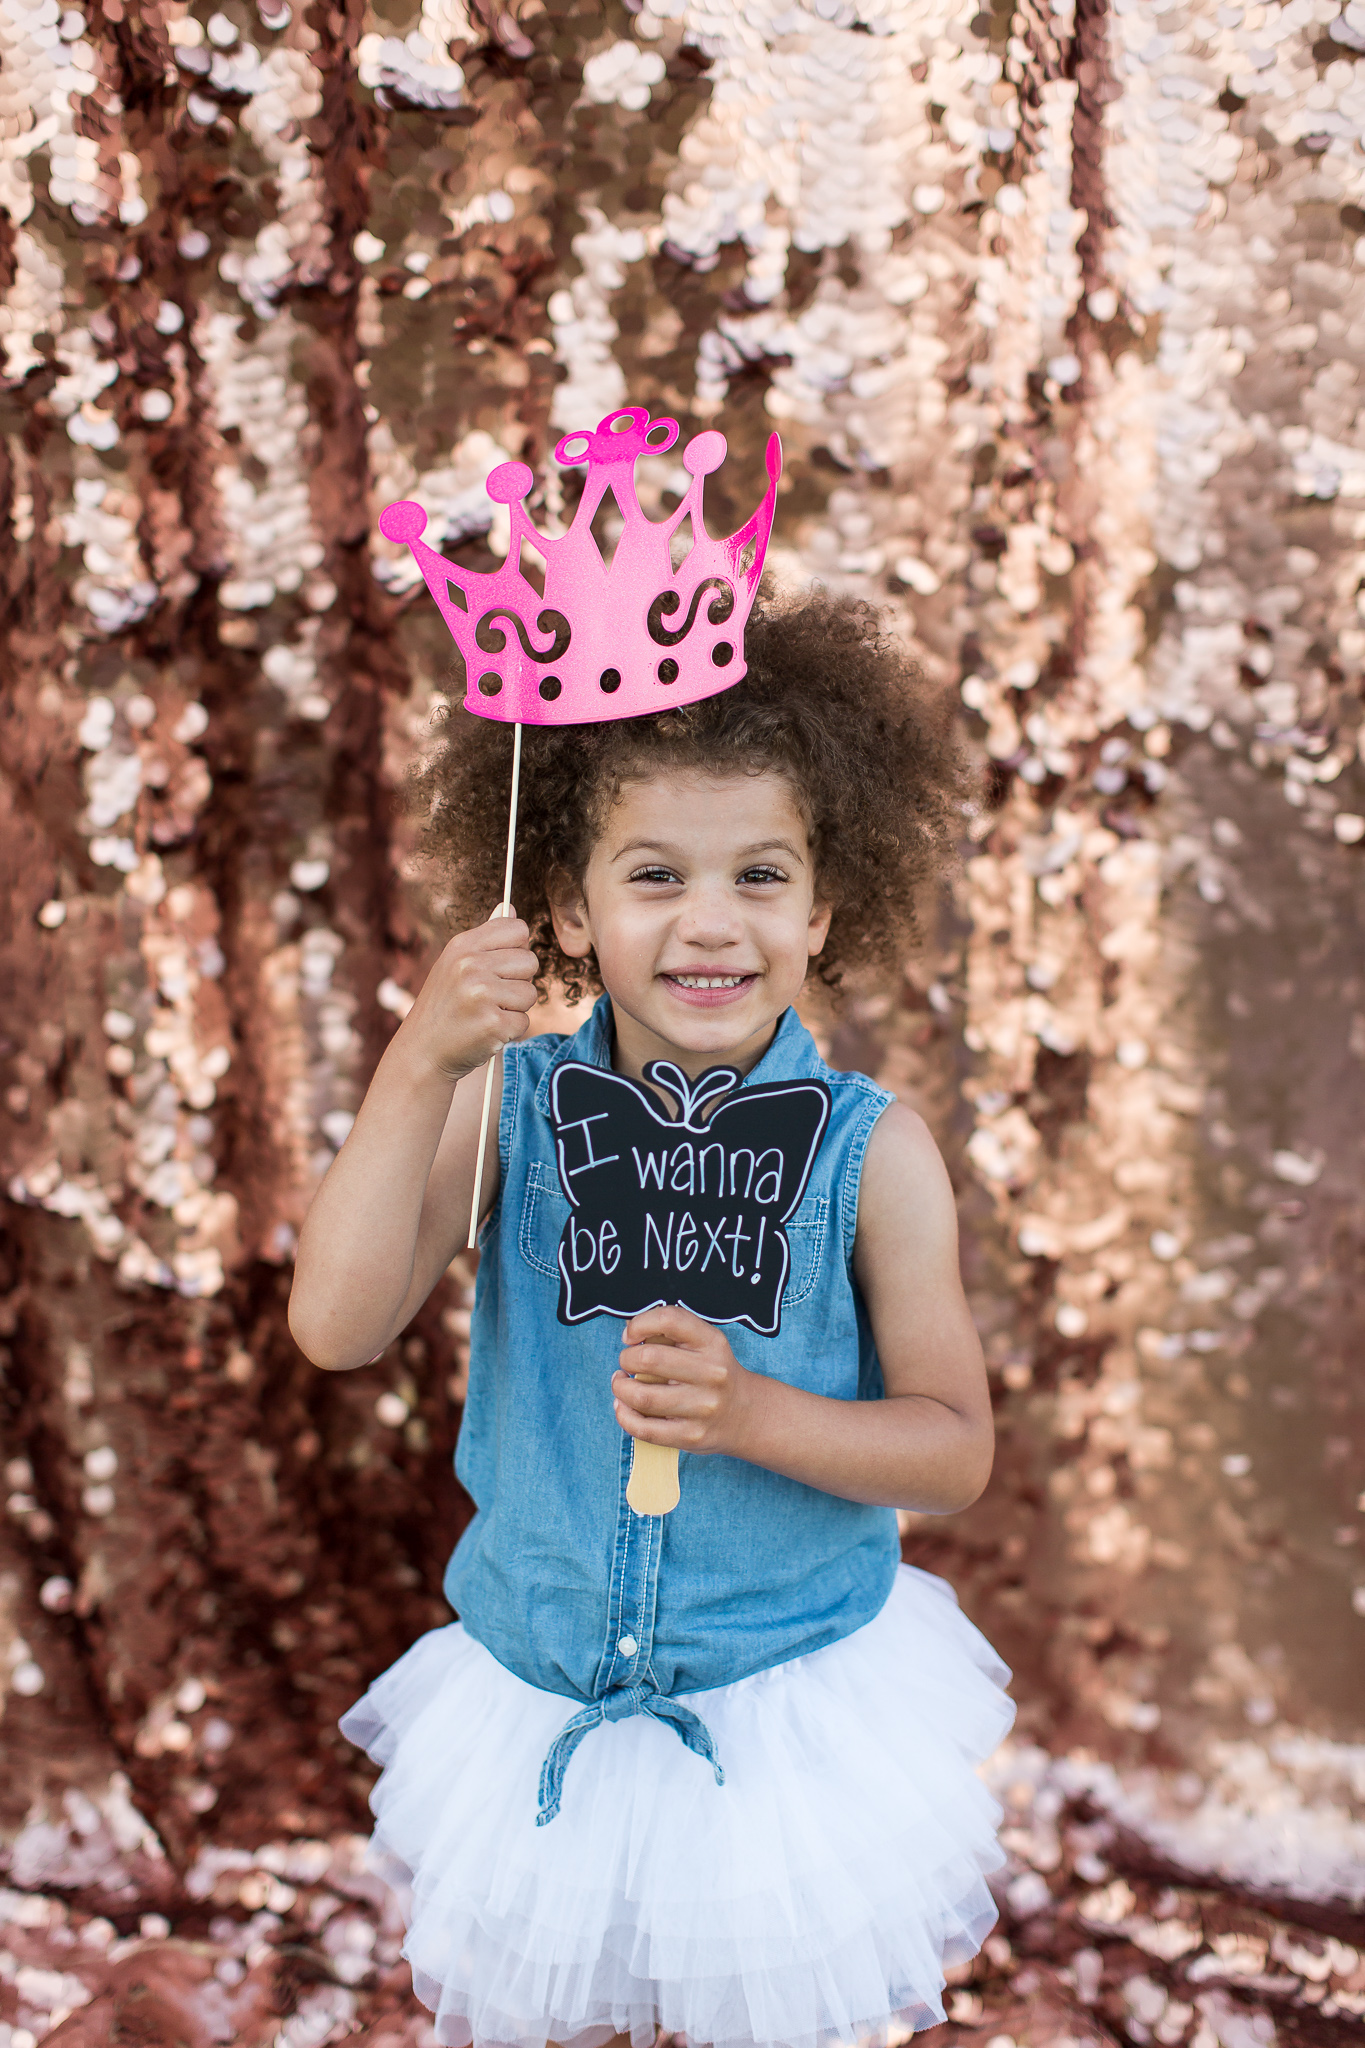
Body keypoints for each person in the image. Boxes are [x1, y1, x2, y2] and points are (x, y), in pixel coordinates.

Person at [289, 589, 1017, 2048]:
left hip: (779, 1713)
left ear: (822, 906)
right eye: (651, 875)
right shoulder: (512, 1108)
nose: (708, 923)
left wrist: (750, 1412)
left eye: (758, 875)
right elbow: (336, 1325)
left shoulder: (873, 1155)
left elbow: (952, 1451)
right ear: (564, 904)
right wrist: (420, 1065)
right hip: (535, 1692)